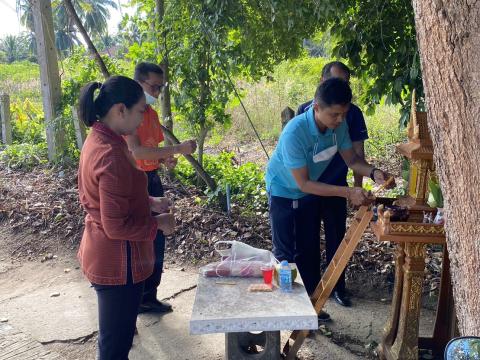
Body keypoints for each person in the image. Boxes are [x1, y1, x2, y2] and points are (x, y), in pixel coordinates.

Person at [266, 78, 394, 322]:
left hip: (307, 194)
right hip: (283, 191)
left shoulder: (339, 128)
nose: (340, 120)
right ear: (316, 107)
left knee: (309, 251)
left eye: (343, 114)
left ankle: (311, 309)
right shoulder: (295, 132)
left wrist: (374, 172)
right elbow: (303, 182)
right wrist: (347, 192)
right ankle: (287, 314)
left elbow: (353, 161)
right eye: (334, 114)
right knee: (286, 255)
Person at [77, 76, 176, 359]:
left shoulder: (101, 138)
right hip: (117, 264)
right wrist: (158, 224)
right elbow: (116, 224)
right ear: (120, 110)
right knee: (115, 346)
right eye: (140, 111)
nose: (143, 118)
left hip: (108, 256)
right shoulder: (111, 154)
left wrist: (149, 201)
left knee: (115, 339)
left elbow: (112, 196)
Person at [124, 62, 197, 314]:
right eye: (153, 86)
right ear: (138, 83)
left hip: (151, 177)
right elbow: (136, 150)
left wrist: (165, 158)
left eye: (160, 87)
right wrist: (176, 149)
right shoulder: (126, 113)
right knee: (138, 238)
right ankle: (132, 299)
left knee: (156, 239)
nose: (156, 92)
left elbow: (151, 149)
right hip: (133, 179)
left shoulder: (151, 115)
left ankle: (148, 295)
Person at [297, 62, 368, 307]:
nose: (338, 119)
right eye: (335, 82)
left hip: (338, 186)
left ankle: (338, 288)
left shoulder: (352, 114)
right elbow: (297, 155)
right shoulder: (305, 112)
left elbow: (357, 154)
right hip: (308, 188)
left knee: (338, 241)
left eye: (345, 83)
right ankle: (312, 293)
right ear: (322, 82)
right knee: (307, 242)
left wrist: (358, 190)